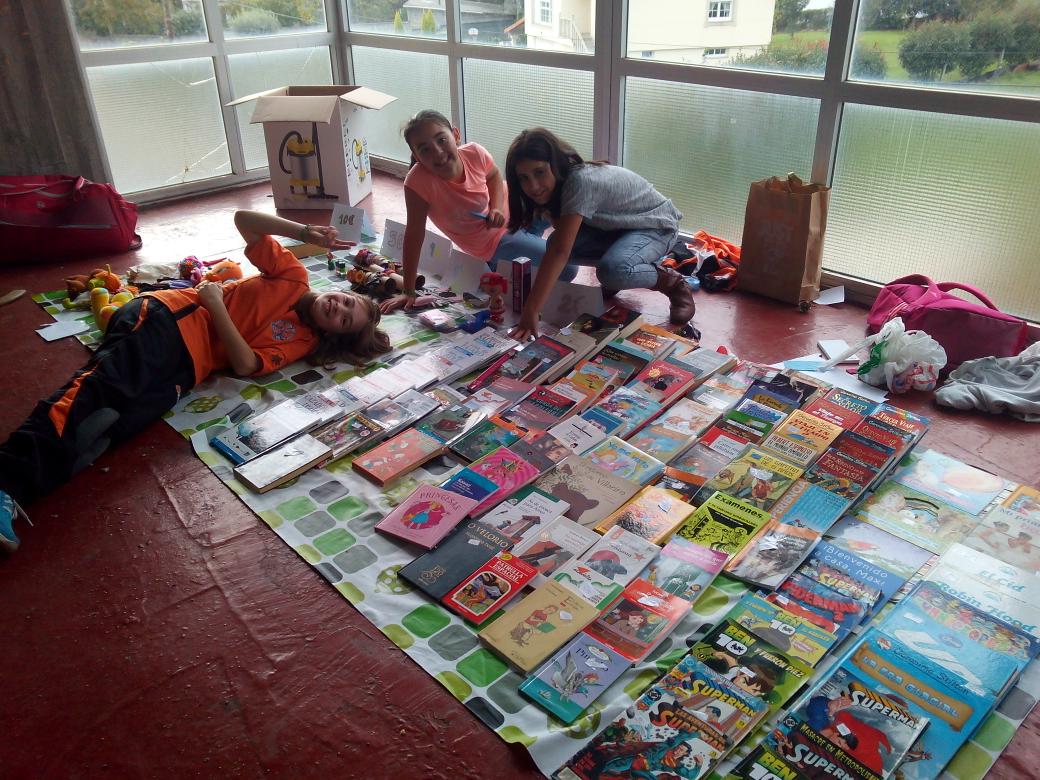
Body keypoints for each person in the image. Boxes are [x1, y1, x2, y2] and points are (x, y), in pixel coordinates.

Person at [0, 210, 390, 552]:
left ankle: (18, 494)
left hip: (188, 370)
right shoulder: (294, 277)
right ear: (339, 291)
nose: (338, 308)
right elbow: (244, 220)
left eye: (343, 320)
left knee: (107, 427)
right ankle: (6, 481)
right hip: (166, 321)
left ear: (333, 335)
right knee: (94, 393)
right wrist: (304, 232)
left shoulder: (303, 342)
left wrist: (218, 306)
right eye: (346, 302)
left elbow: (243, 363)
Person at [503, 127, 696, 340]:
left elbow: (560, 252)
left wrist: (531, 309)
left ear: (555, 164)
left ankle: (674, 284)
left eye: (539, 172)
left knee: (612, 270)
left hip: (656, 226)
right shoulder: (555, 186)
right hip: (616, 228)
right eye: (524, 178)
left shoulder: (579, 181)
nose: (533, 186)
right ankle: (616, 275)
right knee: (557, 241)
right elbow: (561, 243)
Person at [380, 110, 550, 315]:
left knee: (552, 196)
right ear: (416, 156)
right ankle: (517, 255)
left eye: (441, 140)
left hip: (517, 210)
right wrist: (408, 290)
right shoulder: (417, 182)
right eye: (424, 150)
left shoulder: (474, 152)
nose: (437, 152)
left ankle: (527, 247)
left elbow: (494, 175)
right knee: (568, 267)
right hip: (494, 242)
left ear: (456, 135)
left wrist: (496, 207)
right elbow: (414, 234)